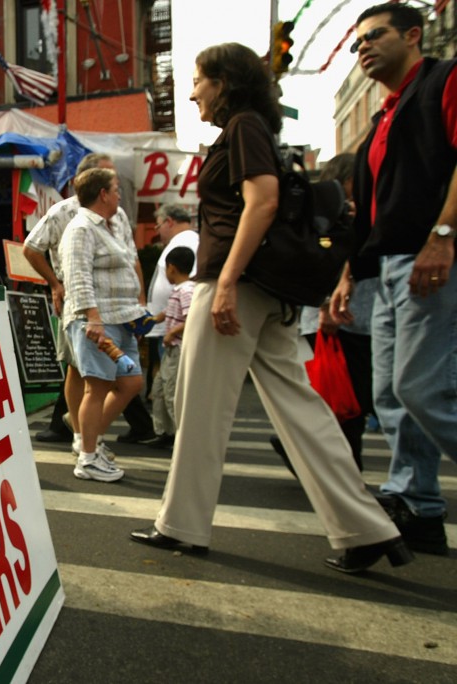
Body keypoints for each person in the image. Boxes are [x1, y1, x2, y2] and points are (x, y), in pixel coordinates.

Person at [130, 42, 411, 574]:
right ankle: (367, 528)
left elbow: (263, 200)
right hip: (267, 289)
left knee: (199, 408)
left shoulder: (242, 127)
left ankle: (181, 524)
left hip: (235, 282)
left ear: (224, 81)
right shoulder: (254, 127)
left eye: (197, 80)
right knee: (301, 410)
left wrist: (229, 281)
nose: (190, 93)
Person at [329, 3, 457, 556]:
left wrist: (444, 235)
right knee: (389, 394)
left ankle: (415, 497)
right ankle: (418, 503)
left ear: (412, 35)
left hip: (430, 260)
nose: (363, 49)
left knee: (419, 388)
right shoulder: (382, 117)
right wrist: (349, 274)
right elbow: (374, 214)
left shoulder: (442, 81)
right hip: (385, 271)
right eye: (357, 43)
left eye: (374, 37)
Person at [23, 153, 155, 448]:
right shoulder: (65, 213)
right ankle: (85, 441)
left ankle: (83, 434)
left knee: (115, 378)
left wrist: (139, 297)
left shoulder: (117, 214)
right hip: (82, 304)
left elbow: (130, 257)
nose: (114, 185)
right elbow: (32, 248)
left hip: (115, 307)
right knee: (80, 369)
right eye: (108, 177)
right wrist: (55, 284)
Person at [271, 153, 375, 474]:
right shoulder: (333, 208)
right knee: (347, 401)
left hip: (332, 316)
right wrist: (327, 303)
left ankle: (306, 449)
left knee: (334, 397)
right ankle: (343, 469)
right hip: (337, 317)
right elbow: (327, 257)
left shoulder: (327, 207)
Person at [60, 167, 148, 482]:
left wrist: (138, 308)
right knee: (96, 386)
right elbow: (77, 275)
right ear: (103, 194)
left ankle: (90, 439)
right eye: (116, 188)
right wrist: (92, 317)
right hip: (97, 320)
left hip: (121, 319)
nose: (119, 194)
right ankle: (87, 457)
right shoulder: (81, 227)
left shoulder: (110, 226)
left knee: (131, 383)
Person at [143, 204, 199, 448]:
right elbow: (173, 310)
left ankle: (181, 436)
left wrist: (171, 332)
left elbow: (191, 316)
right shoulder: (179, 288)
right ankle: (164, 431)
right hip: (169, 342)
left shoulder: (186, 288)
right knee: (159, 387)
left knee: (172, 389)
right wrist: (155, 318)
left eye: (158, 225)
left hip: (175, 345)